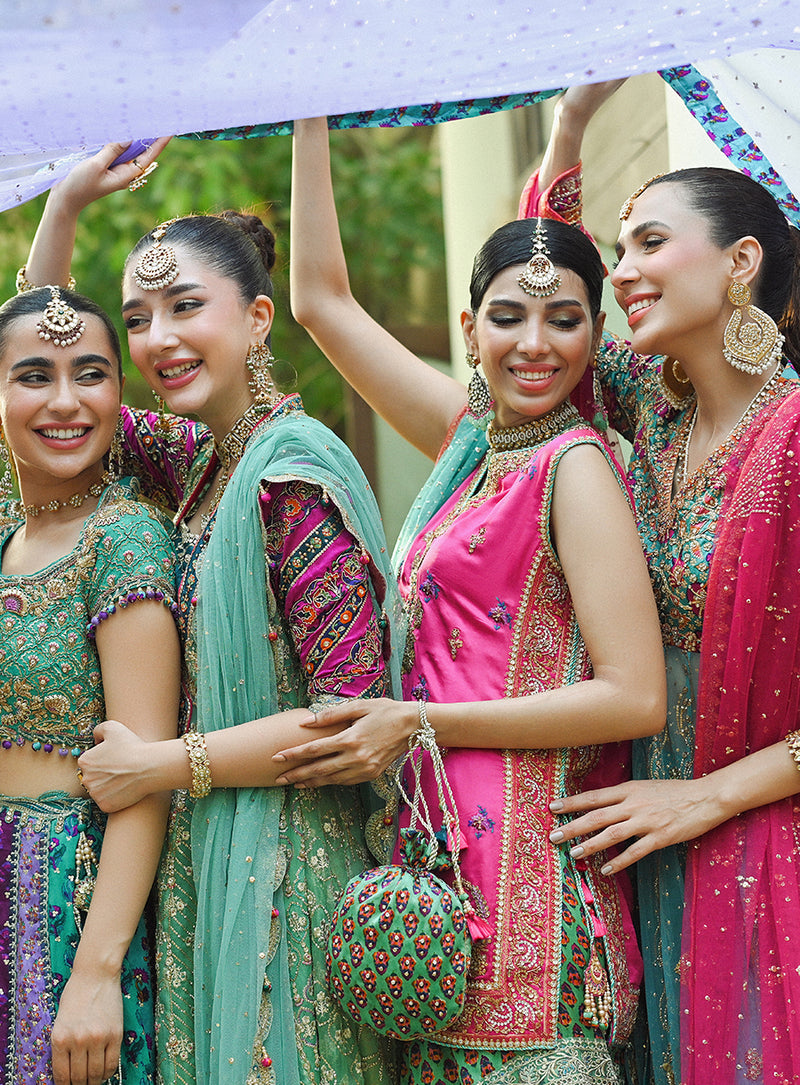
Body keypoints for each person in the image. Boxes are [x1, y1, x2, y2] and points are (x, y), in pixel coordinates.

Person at [278, 115, 667, 1084]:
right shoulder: (468, 447)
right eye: (506, 317)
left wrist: (415, 720)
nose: (533, 343)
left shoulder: (574, 466)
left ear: (594, 332)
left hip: (527, 888)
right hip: (433, 871)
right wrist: (309, 103)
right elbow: (321, 302)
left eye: (564, 319)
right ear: (468, 329)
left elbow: (632, 697)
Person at [22, 146, 405, 1085]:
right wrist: (65, 203)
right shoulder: (197, 466)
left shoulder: (290, 474)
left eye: (185, 307)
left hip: (295, 887)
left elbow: (352, 722)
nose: (156, 339)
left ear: (259, 316)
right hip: (208, 870)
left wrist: (162, 763)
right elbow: (43, 366)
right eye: (143, 317)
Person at [519, 83, 800, 1085]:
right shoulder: (654, 412)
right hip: (650, 841)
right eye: (620, 247)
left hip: (762, 837)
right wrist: (564, 128)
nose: (621, 271)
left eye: (646, 244)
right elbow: (544, 284)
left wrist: (707, 795)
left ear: (738, 263)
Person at [0, 286, 179, 1085]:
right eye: (34, 376)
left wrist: (98, 970)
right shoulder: (10, 530)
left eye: (92, 373)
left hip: (68, 898)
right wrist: (63, 206)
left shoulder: (125, 538)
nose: (66, 401)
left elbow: (145, 777)